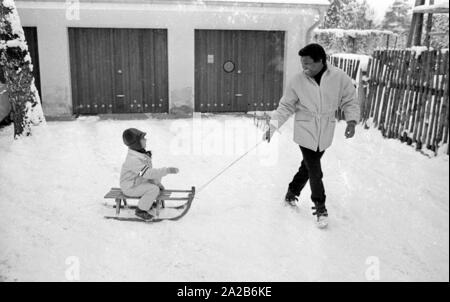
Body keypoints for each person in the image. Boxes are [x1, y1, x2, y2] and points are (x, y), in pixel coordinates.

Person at [264, 43, 360, 228]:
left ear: (321, 61)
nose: (304, 68)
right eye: (302, 64)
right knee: (315, 170)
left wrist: (351, 121)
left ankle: (292, 192)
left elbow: (349, 100)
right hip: (305, 129)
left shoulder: (339, 78)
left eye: (308, 64)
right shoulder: (298, 81)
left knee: (307, 167)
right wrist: (272, 126)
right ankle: (320, 207)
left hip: (325, 130)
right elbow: (286, 106)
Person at [120, 128, 179, 220]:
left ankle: (147, 201)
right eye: (143, 139)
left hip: (138, 182)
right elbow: (148, 174)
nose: (146, 140)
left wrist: (158, 183)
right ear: (136, 143)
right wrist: (167, 170)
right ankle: (140, 211)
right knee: (153, 189)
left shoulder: (141, 155)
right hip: (130, 187)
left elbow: (150, 173)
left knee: (157, 177)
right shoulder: (133, 160)